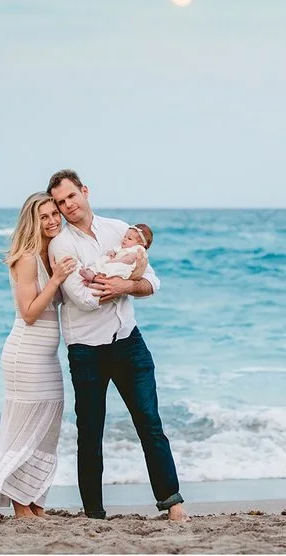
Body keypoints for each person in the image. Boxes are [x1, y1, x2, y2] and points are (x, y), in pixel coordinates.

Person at [46, 169, 188, 522]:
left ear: (85, 191)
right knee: (90, 433)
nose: (68, 206)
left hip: (129, 343)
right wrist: (124, 284)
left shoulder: (120, 230)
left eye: (71, 196)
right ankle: (94, 514)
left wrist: (125, 286)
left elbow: (152, 280)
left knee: (150, 423)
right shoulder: (61, 245)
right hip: (86, 351)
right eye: (61, 202)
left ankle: (173, 504)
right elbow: (81, 298)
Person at [0, 192, 77, 519]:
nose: (52, 221)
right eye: (43, 217)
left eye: (54, 214)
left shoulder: (51, 253)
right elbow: (29, 313)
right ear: (32, 221)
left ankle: (36, 504)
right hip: (25, 354)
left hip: (47, 357)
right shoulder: (27, 258)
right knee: (24, 430)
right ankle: (20, 507)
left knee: (47, 431)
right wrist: (57, 279)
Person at [79, 223, 154, 285]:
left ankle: (93, 279)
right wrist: (111, 253)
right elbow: (114, 251)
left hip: (123, 266)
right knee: (103, 261)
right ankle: (91, 275)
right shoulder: (123, 247)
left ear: (141, 244)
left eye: (129, 239)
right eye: (125, 236)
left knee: (112, 272)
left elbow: (129, 259)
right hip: (115, 261)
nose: (125, 239)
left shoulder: (138, 249)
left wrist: (115, 261)